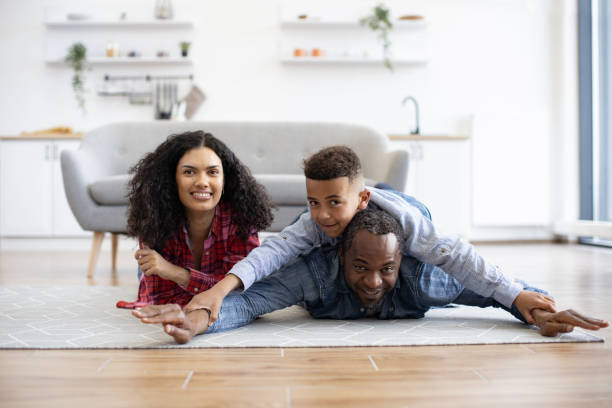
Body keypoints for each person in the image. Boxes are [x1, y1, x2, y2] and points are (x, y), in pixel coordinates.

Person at [184, 146, 556, 325]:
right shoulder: (315, 228)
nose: (323, 213)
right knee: (301, 236)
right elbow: (274, 252)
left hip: (395, 214)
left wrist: (521, 298)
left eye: (333, 202)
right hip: (340, 242)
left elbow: (458, 257)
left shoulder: (410, 231)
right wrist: (217, 293)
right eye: (315, 201)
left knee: (439, 255)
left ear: (361, 198)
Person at [132, 210, 609, 344]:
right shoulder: (314, 273)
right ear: (340, 256)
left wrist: (541, 311)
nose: (375, 282)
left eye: (386, 268)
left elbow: (494, 290)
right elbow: (249, 301)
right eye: (361, 267)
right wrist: (198, 319)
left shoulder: (424, 278)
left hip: (404, 212)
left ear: (402, 261)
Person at [117, 130, 274, 308]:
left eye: (212, 172)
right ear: (172, 179)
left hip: (170, 271)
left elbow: (243, 290)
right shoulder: (154, 217)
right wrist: (213, 288)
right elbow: (160, 299)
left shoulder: (241, 218)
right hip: (158, 268)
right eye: (189, 172)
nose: (202, 182)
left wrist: (176, 273)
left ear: (225, 180)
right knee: (148, 269)